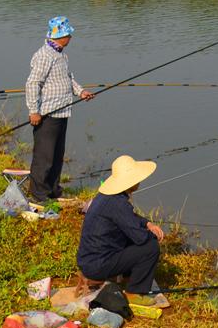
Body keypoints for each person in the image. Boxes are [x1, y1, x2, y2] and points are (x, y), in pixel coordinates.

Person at [76, 155, 167, 302]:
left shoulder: (106, 197)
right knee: (150, 247)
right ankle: (134, 293)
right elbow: (141, 238)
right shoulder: (119, 203)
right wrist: (153, 235)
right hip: (97, 265)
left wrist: (147, 224)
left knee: (133, 238)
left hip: (88, 260)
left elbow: (128, 218)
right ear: (130, 182)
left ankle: (129, 276)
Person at [24, 16, 92, 201]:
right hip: (47, 114)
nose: (71, 37)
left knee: (57, 154)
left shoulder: (61, 54)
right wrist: (34, 111)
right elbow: (32, 83)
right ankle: (38, 194)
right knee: (44, 156)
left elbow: (67, 78)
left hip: (62, 110)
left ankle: (53, 189)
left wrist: (80, 91)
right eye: (69, 34)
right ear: (61, 36)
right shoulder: (44, 55)